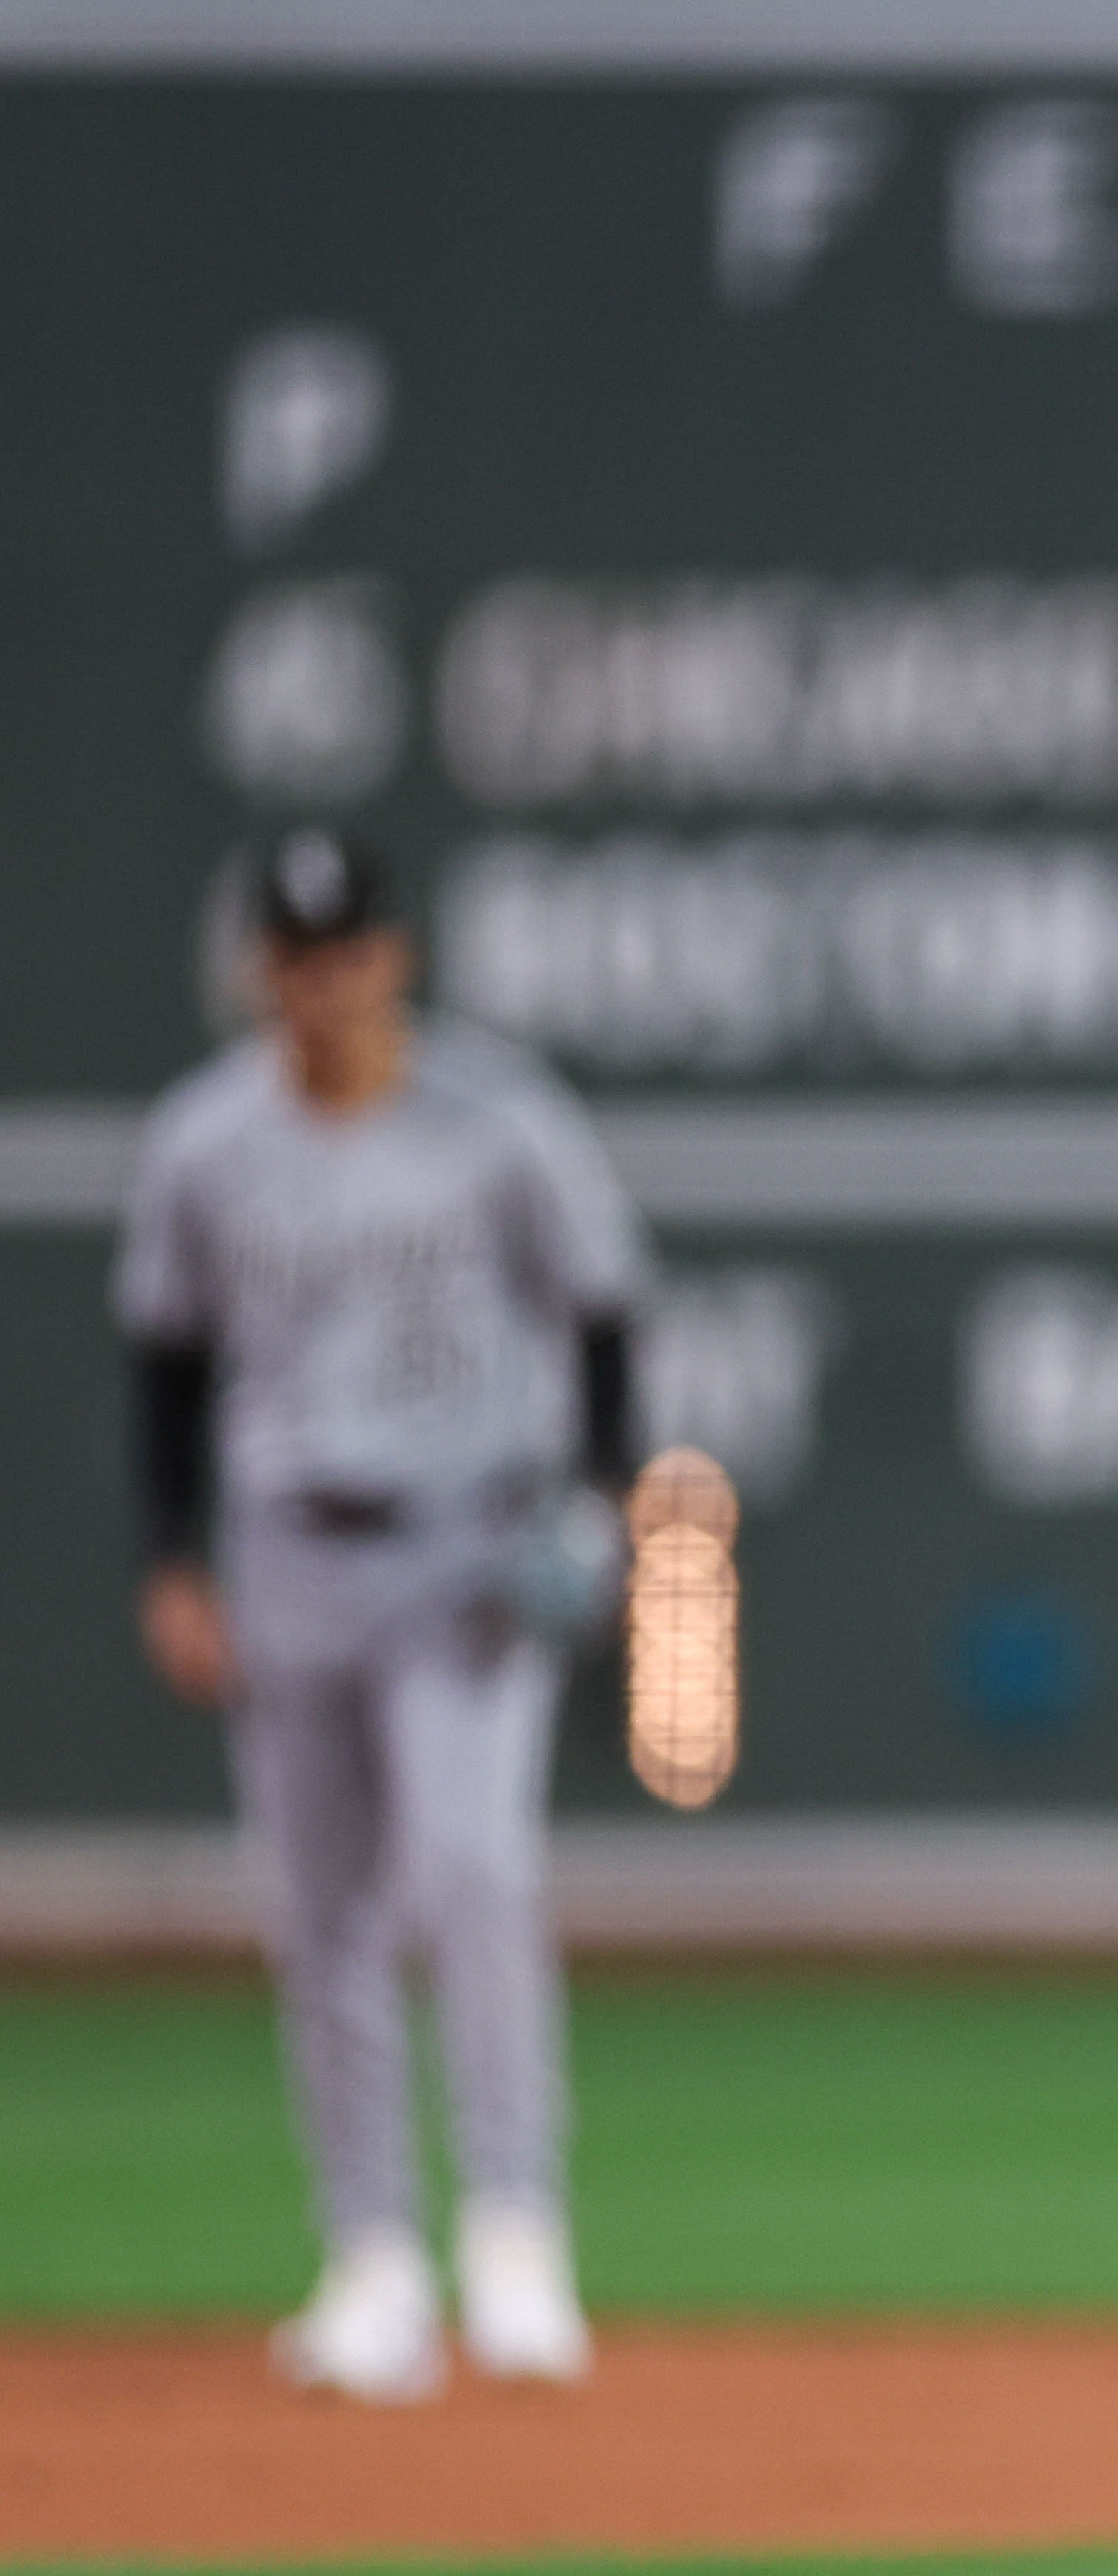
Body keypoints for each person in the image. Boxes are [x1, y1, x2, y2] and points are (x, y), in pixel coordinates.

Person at [118, 826, 645, 2402]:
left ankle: (514, 2229)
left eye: (346, 953)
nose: (322, 985)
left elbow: (606, 1308)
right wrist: (175, 1558)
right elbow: (164, 1360)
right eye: (295, 957)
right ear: (258, 969)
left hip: (467, 1545)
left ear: (394, 958)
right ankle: (369, 2257)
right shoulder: (206, 1141)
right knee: (324, 1912)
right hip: (290, 1545)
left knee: (473, 1871)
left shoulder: (500, 1122)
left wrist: (599, 1499)